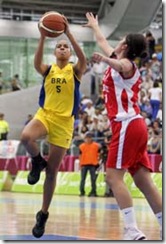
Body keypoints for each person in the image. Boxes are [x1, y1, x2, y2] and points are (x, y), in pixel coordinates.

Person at [84, 12, 162, 240]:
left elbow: (119, 63)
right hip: (135, 125)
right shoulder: (120, 61)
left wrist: (106, 59)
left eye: (123, 41)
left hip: (127, 125)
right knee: (142, 180)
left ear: (127, 46)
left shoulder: (127, 65)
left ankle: (131, 230)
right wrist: (95, 26)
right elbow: (102, 42)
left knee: (112, 177)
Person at [20, 16, 86, 238]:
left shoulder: (75, 71)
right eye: (59, 46)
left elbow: (83, 58)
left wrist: (69, 34)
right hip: (45, 115)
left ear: (69, 53)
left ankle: (43, 214)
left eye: (65, 47)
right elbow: (36, 62)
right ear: (54, 51)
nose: (63, 48)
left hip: (65, 122)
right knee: (26, 137)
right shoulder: (48, 70)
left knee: (52, 172)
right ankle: (37, 161)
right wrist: (41, 36)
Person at [79, 132, 101, 197]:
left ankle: (93, 191)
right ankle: (82, 192)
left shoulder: (96, 146)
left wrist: (98, 162)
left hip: (93, 164)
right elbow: (80, 156)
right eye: (87, 138)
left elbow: (99, 154)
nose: (88, 139)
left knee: (93, 179)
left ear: (91, 138)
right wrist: (80, 165)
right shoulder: (81, 146)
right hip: (84, 164)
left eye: (89, 138)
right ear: (85, 139)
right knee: (83, 179)